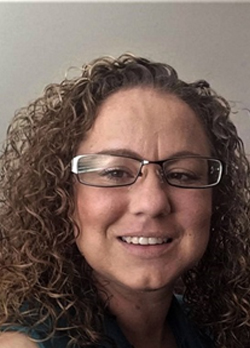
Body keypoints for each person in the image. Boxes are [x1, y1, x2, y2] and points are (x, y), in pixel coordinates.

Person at [0, 53, 249, 348]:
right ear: (62, 196)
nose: (153, 203)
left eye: (182, 175)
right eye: (115, 172)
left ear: (215, 202)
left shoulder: (218, 331)